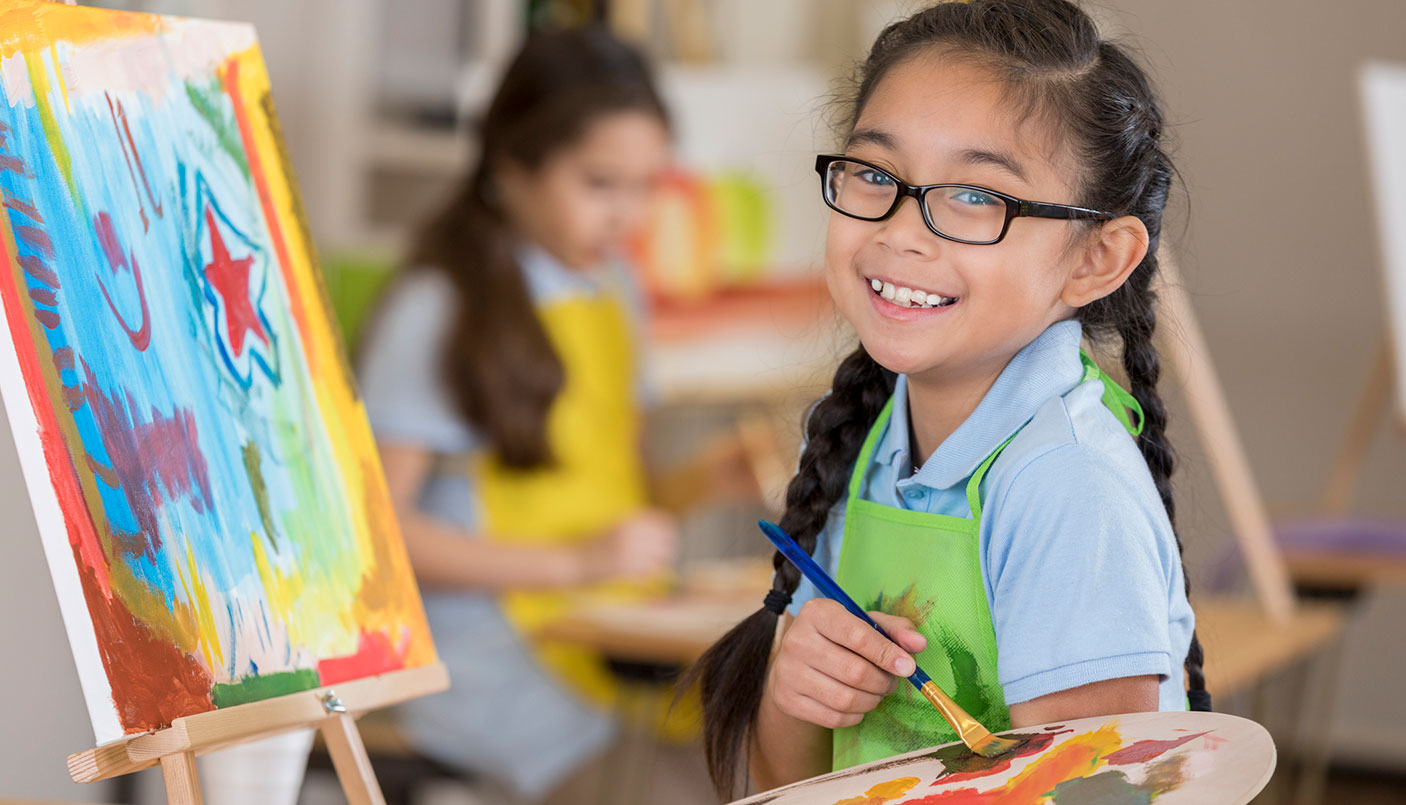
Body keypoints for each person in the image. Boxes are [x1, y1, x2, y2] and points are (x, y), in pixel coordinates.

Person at [689, 0, 1205, 796]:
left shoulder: (1065, 484)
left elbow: (1093, 792)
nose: (901, 229)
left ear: (1097, 258)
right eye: (874, 173)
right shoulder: (855, 442)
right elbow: (785, 787)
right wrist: (796, 688)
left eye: (975, 197)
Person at [357, 24, 702, 803]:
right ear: (512, 164)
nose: (629, 216)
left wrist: (701, 484)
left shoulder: (616, 290)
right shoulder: (439, 308)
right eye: (600, 184)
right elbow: (378, 536)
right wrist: (578, 564)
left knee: (748, 756)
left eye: (648, 187)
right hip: (481, 653)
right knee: (675, 787)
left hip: (597, 623)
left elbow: (617, 496)